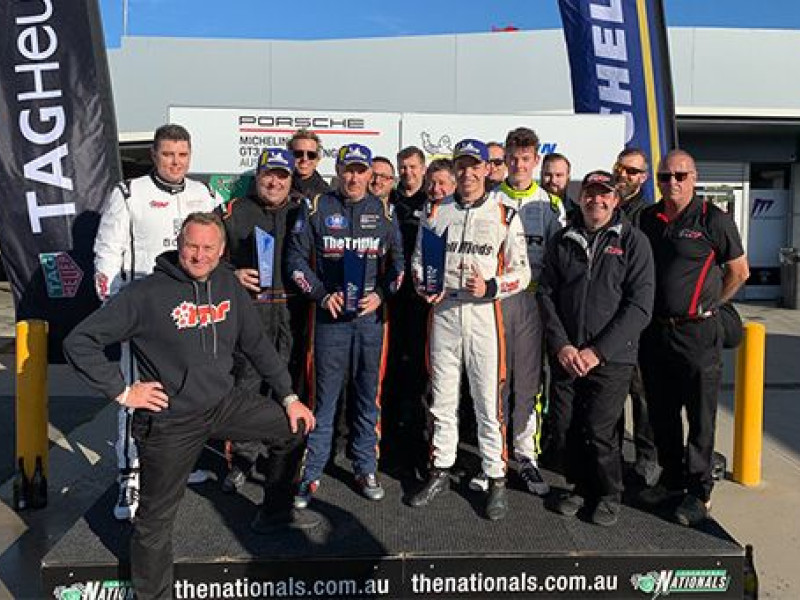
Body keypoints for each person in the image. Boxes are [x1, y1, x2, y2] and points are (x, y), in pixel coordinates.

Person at [65, 212, 318, 599]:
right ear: (180, 245)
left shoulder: (227, 285)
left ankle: (275, 514)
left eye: (207, 248)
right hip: (170, 420)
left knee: (293, 428)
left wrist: (290, 397)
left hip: (223, 404)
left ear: (220, 252)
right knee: (155, 520)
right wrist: (122, 391)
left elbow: (258, 346)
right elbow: (79, 342)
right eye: (191, 246)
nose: (198, 256)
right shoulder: (145, 293)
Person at [93, 123, 218, 521]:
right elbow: (106, 253)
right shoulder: (128, 194)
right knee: (134, 394)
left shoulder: (203, 195)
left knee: (184, 391)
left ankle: (176, 464)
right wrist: (117, 310)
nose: (175, 162)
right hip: (143, 313)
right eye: (168, 154)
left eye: (182, 155)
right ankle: (128, 475)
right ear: (154, 155)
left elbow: (216, 251)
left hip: (190, 313)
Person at [407, 139, 530, 521]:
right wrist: (422, 284)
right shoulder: (435, 210)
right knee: (442, 397)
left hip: (483, 315)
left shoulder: (505, 212)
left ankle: (495, 476)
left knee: (486, 400)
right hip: (443, 312)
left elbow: (523, 273)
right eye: (461, 166)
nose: (467, 173)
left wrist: (492, 286)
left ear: (485, 170)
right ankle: (440, 469)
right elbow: (417, 261)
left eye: (474, 166)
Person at [288, 143, 404, 506]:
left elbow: (400, 266)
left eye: (360, 170)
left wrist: (382, 296)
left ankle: (365, 465)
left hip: (371, 321)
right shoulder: (317, 207)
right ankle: (311, 472)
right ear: (337, 170)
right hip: (330, 318)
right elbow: (294, 261)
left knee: (368, 397)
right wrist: (322, 295)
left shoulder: (385, 212)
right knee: (324, 400)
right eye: (348, 169)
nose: (354, 177)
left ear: (371, 174)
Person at [638, 150, 749, 527]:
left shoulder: (712, 220)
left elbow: (739, 271)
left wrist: (711, 303)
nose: (673, 183)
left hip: (698, 332)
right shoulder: (648, 218)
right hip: (656, 330)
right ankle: (671, 481)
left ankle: (698, 492)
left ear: (694, 177)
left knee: (700, 416)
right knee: (662, 411)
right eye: (665, 176)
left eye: (680, 176)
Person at [539, 170, 655, 526]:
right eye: (590, 194)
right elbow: (545, 294)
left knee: (599, 429)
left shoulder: (633, 242)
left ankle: (608, 492)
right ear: (582, 198)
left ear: (615, 200)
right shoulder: (563, 240)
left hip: (612, 357)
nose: (596, 200)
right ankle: (579, 486)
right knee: (565, 426)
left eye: (604, 194)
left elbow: (640, 306)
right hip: (568, 355)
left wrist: (597, 352)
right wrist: (562, 345)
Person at [467, 127, 565, 496]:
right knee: (493, 382)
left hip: (534, 304)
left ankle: (526, 457)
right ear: (504, 160)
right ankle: (492, 457)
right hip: (494, 303)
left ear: (536, 160)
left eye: (526, 159)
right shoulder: (489, 199)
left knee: (528, 384)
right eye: (513, 158)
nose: (519, 165)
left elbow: (560, 261)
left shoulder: (550, 204)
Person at [216, 148, 307, 493]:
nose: (274, 181)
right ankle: (240, 459)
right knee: (246, 386)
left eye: (282, 176)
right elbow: (206, 258)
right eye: (269, 174)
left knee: (287, 385)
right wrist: (233, 274)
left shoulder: (303, 211)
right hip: (250, 314)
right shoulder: (233, 212)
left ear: (290, 180)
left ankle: (280, 455)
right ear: (257, 176)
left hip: (291, 311)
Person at [380, 146, 431, 477]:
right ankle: (391, 444)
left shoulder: (435, 202)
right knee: (392, 374)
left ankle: (420, 445)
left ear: (423, 169)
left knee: (421, 376)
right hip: (392, 301)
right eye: (403, 167)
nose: (408, 172)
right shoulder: (390, 204)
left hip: (425, 303)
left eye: (413, 167)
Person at [612, 148, 660, 488]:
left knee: (642, 395)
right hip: (609, 318)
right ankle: (610, 457)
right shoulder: (606, 207)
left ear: (643, 177)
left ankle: (647, 460)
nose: (624, 175)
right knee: (612, 394)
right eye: (620, 168)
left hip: (641, 320)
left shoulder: (651, 216)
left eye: (632, 171)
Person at [287, 129, 331, 199]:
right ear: (288, 156)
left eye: (311, 155)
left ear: (317, 159)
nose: (304, 159)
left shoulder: (327, 195)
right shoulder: (276, 188)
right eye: (298, 154)